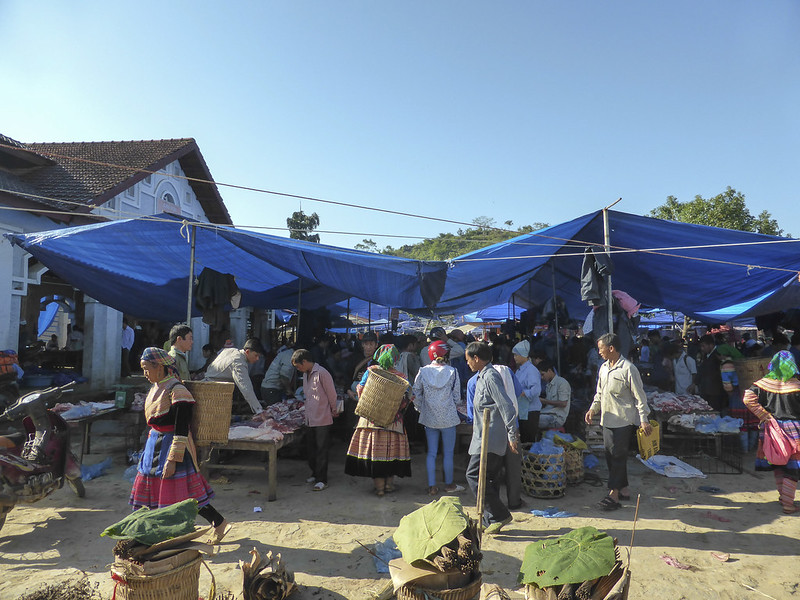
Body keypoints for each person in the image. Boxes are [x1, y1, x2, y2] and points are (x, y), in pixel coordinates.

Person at [130, 347, 230, 544]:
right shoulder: (156, 387)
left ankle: (218, 523)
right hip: (154, 444)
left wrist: (173, 459)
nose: (145, 373)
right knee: (155, 491)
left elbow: (182, 428)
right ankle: (157, 534)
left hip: (174, 446)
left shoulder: (178, 390)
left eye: (146, 369)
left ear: (159, 367)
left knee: (188, 495)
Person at [585, 333, 651, 511]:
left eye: (601, 349)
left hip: (624, 420)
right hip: (607, 419)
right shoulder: (603, 368)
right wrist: (593, 409)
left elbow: (640, 396)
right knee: (609, 454)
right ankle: (624, 488)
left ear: (611, 348)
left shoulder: (629, 369)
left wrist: (644, 419)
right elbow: (599, 393)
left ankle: (613, 494)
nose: (599, 352)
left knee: (618, 456)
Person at [464, 342, 519, 534]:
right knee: (490, 479)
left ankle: (499, 515)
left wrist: (512, 433)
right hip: (484, 436)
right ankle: (491, 519)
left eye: (469, 359)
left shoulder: (490, 376)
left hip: (490, 438)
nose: (468, 363)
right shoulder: (481, 376)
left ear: (477, 358)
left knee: (473, 475)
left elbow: (506, 405)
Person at [345, 344, 411, 496]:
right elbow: (408, 396)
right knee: (391, 454)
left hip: (371, 421)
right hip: (394, 423)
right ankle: (389, 485)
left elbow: (360, 390)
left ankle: (379, 488)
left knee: (376, 455)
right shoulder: (401, 377)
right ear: (395, 359)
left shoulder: (371, 371)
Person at [743, 351, 800, 514]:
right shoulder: (797, 385)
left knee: (778, 463)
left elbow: (747, 398)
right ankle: (788, 504)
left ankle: (784, 497)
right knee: (793, 467)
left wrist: (764, 416)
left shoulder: (763, 383)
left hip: (771, 428)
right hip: (794, 430)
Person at [412, 340, 464, 496]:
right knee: (448, 453)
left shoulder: (422, 371)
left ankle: (432, 487)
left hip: (429, 418)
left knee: (432, 453)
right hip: (448, 419)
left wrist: (421, 408)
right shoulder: (453, 372)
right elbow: (457, 398)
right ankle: (449, 484)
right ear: (446, 355)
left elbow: (416, 394)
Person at [292, 348, 338, 491]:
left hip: (323, 417)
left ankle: (322, 479)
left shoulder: (322, 373)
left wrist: (334, 409)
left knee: (321, 449)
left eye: (298, 366)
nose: (298, 369)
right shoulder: (306, 375)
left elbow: (332, 394)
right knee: (310, 448)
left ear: (304, 362)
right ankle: (314, 473)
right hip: (310, 418)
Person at [205, 338, 268, 419]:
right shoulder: (238, 361)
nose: (257, 359)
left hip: (211, 387)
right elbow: (246, 387)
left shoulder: (231, 350)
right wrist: (259, 410)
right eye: (256, 355)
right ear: (247, 352)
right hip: (212, 392)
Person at [512, 340, 541, 443]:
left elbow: (536, 390)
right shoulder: (520, 370)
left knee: (529, 440)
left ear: (523, 355)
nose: (514, 357)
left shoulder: (531, 370)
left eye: (516, 355)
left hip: (531, 411)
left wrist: (524, 393)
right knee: (523, 438)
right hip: (523, 410)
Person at [537, 359, 571, 430]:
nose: (542, 377)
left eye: (543, 374)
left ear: (549, 371)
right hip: (547, 414)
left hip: (556, 418)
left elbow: (563, 403)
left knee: (533, 421)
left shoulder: (562, 383)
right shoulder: (548, 385)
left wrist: (544, 401)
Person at [697, 334, 727, 411]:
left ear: (711, 345)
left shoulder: (719, 354)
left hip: (716, 392)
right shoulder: (706, 355)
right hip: (707, 391)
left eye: (703, 346)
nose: (702, 349)